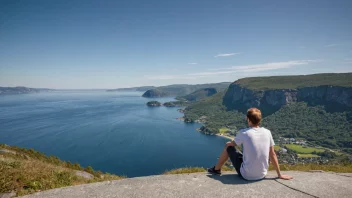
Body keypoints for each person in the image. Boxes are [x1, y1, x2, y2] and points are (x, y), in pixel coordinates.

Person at [208, 108, 293, 180]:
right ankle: (217, 169)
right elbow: (272, 154)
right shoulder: (268, 132)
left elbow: (232, 144)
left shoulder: (244, 132)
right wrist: (279, 175)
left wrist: (229, 143)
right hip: (262, 174)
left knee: (228, 147)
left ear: (248, 119)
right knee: (243, 154)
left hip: (246, 175)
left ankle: (217, 169)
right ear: (260, 120)